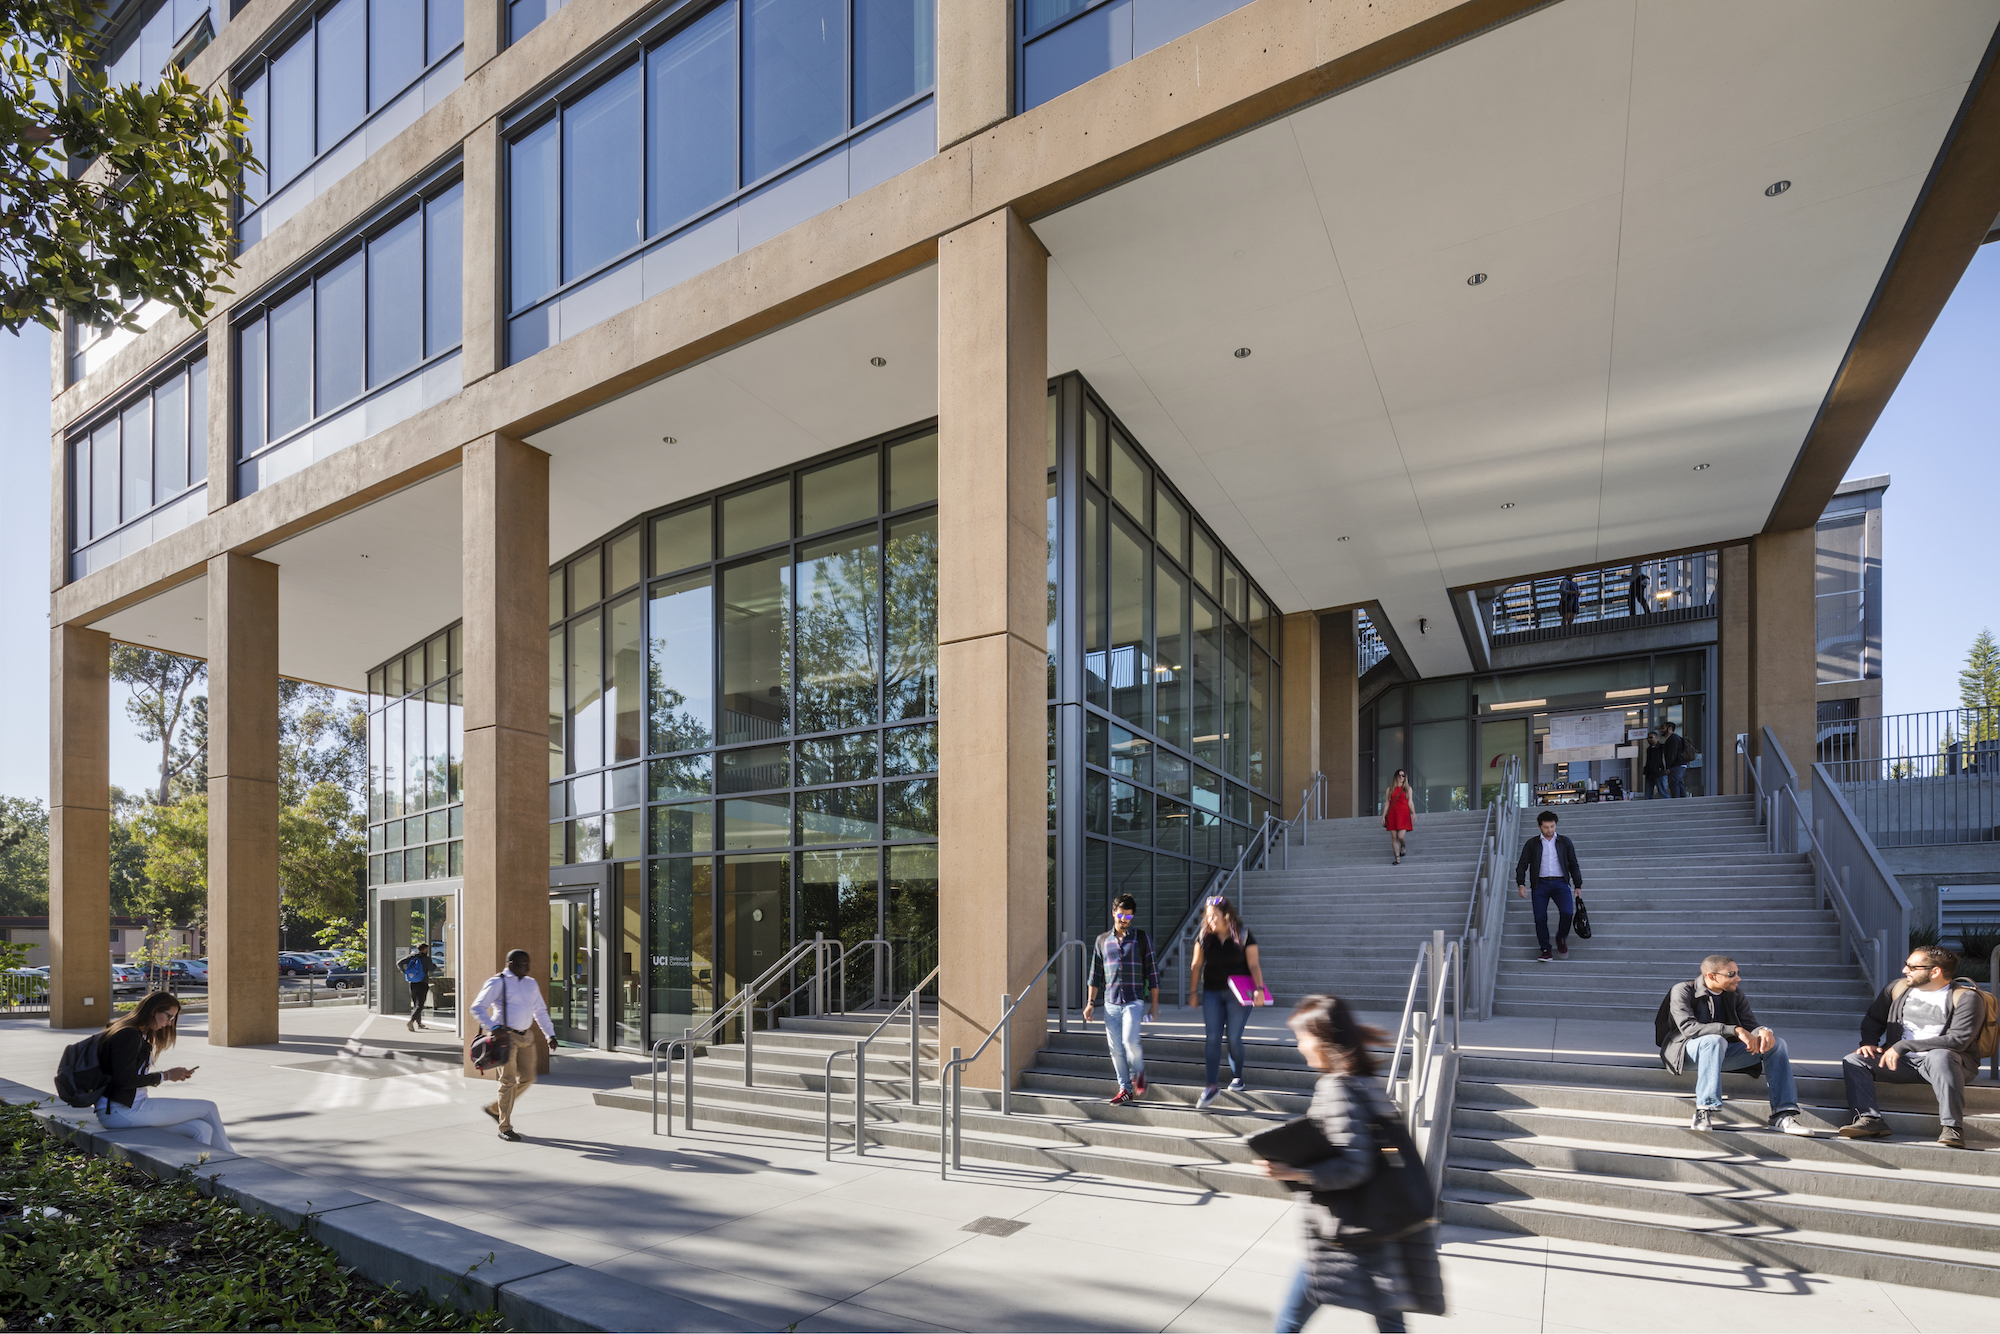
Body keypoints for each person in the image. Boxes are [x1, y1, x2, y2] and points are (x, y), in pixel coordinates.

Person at [1261, 994, 1444, 1334]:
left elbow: (1354, 1166)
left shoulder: (1338, 1089)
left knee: (1288, 1321)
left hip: (1343, 1232)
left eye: (1303, 1037)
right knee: (1389, 1318)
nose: (1299, 1046)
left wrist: (1294, 1172)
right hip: (1376, 1223)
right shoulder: (1365, 1081)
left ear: (1324, 1039)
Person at [1839, 945, 1983, 1149]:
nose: (1905, 970)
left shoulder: (1967, 998)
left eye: (1912, 967)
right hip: (1902, 1063)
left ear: (1935, 971)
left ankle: (1952, 1128)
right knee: (1854, 1060)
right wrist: (1869, 1043)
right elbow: (1873, 1019)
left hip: (1948, 1064)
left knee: (1940, 1056)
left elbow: (1958, 1040)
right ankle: (1869, 1119)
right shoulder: (1897, 989)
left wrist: (1904, 1045)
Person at [1657, 956, 1809, 1135]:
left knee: (1777, 1045)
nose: (1738, 978)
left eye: (1738, 973)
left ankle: (1782, 1114)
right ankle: (1704, 1110)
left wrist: (1763, 1030)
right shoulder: (1683, 990)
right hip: (1685, 1053)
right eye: (1731, 974)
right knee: (1714, 1040)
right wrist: (1734, 1030)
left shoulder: (1735, 995)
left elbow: (1751, 1026)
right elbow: (1688, 1028)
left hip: (1722, 1054)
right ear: (1711, 976)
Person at [94, 991, 236, 1155]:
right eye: (168, 1017)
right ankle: (238, 1164)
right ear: (154, 1011)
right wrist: (165, 1075)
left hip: (126, 1108)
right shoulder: (128, 1034)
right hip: (121, 1111)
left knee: (201, 1128)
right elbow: (123, 1080)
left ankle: (201, 1174)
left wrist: (168, 1074)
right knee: (208, 1108)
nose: (169, 1023)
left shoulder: (132, 1032)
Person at [1187, 895, 1268, 1109]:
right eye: (1208, 916)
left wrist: (1259, 989)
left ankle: (1237, 1077)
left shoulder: (1243, 935)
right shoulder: (1204, 936)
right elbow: (1196, 966)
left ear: (1226, 915)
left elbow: (1254, 965)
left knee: (1233, 1036)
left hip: (1239, 994)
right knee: (1213, 1037)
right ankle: (1211, 1086)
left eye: (1215, 916)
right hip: (1212, 992)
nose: (1211, 920)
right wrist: (1193, 992)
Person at [470, 949, 558, 1141]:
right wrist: (494, 1028)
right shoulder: (497, 982)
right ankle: (505, 1127)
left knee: (528, 1077)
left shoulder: (530, 983)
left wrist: (550, 1034)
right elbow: (477, 1007)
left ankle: (494, 1108)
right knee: (508, 1081)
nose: (528, 966)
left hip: (526, 1037)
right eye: (523, 963)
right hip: (505, 1038)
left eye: (529, 962)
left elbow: (540, 1011)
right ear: (511, 964)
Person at [1083, 893, 1158, 1106]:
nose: (1123, 919)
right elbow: (1094, 976)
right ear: (1113, 913)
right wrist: (1090, 1003)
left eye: (1128, 916)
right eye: (1120, 915)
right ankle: (1125, 1088)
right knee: (1115, 1049)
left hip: (1134, 1001)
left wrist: (1154, 1004)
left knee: (1129, 1041)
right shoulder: (1101, 941)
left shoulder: (1141, 938)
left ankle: (1139, 1072)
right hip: (1110, 1004)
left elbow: (1153, 973)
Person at [1514, 810, 1582, 962]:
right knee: (1540, 917)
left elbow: (1573, 864)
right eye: (1546, 827)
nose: (1550, 830)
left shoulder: (1565, 842)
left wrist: (1578, 885)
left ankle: (1561, 939)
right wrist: (1521, 883)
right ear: (1539, 827)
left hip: (1560, 883)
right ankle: (1545, 949)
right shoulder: (1532, 844)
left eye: (1552, 826)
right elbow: (1522, 865)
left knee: (1567, 913)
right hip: (1540, 884)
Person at [400, 941, 438, 1031]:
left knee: (416, 1004)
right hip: (422, 982)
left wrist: (405, 972)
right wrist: (434, 965)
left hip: (412, 982)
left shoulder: (412, 957)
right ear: (425, 949)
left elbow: (399, 963)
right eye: (427, 949)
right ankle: (411, 1021)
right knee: (420, 1004)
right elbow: (431, 969)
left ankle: (419, 1023)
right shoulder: (426, 958)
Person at [1381, 769, 1413, 865]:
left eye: (1403, 775)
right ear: (1396, 777)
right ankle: (1397, 858)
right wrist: (1383, 816)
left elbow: (1410, 802)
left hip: (1403, 814)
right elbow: (1387, 803)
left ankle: (1403, 845)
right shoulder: (1389, 789)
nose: (1401, 777)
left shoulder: (1408, 788)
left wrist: (1414, 813)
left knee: (1400, 836)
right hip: (1392, 814)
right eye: (1399, 775)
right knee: (1394, 837)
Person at [1658, 721, 1690, 798]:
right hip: (1680, 764)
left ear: (1670, 728)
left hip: (1676, 765)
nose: (1661, 730)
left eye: (1663, 728)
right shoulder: (1675, 738)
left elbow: (1672, 753)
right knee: (1679, 782)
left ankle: (1676, 801)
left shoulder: (1673, 739)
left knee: (1674, 783)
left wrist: (1668, 767)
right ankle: (1683, 800)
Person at [1641, 729, 1668, 800]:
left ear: (1656, 737)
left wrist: (1665, 769)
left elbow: (1665, 759)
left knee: (1662, 792)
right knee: (1648, 793)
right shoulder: (1649, 749)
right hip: (1650, 773)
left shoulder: (1662, 747)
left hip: (1659, 772)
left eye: (1651, 737)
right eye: (1648, 738)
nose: (1649, 740)